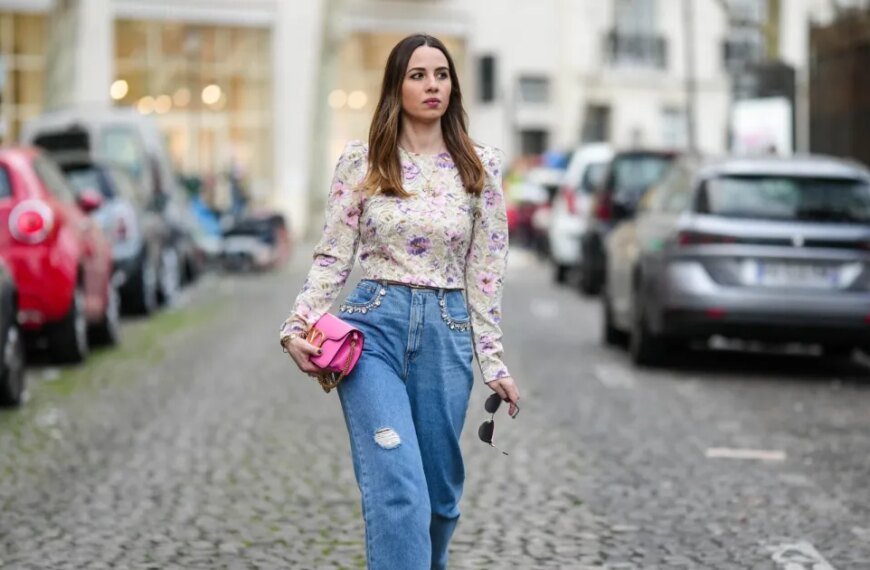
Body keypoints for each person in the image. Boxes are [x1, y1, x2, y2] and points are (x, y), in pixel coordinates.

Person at [279, 33, 520, 570]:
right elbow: (332, 256)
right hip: (374, 333)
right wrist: (296, 326)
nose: (432, 85)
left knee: (437, 498)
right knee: (398, 488)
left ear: (453, 86)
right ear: (396, 86)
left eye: (441, 74)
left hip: (448, 332)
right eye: (417, 75)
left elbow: (485, 272)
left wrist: (493, 359)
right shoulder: (361, 163)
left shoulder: (479, 167)